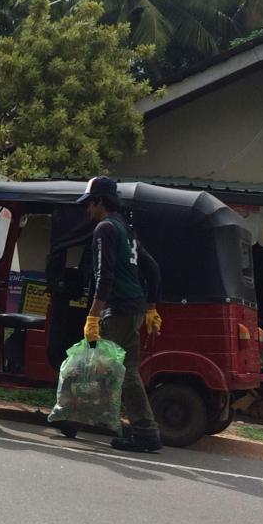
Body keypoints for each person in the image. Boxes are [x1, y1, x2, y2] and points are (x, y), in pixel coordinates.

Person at [78, 176, 163, 453]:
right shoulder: (126, 230)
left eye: (90, 204)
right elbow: (152, 269)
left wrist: (93, 315)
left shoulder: (104, 229)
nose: (88, 210)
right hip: (134, 308)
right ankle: (89, 418)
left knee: (124, 371)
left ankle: (145, 431)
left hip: (119, 310)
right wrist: (151, 306)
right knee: (117, 368)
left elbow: (105, 275)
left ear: (100, 202)